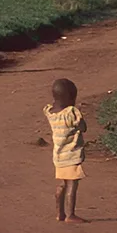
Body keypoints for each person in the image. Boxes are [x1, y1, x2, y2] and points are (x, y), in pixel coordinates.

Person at [44, 78, 87, 223]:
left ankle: (59, 213)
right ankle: (70, 215)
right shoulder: (71, 112)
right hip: (71, 155)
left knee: (63, 183)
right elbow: (83, 127)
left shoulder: (51, 112)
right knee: (72, 185)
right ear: (70, 98)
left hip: (58, 156)